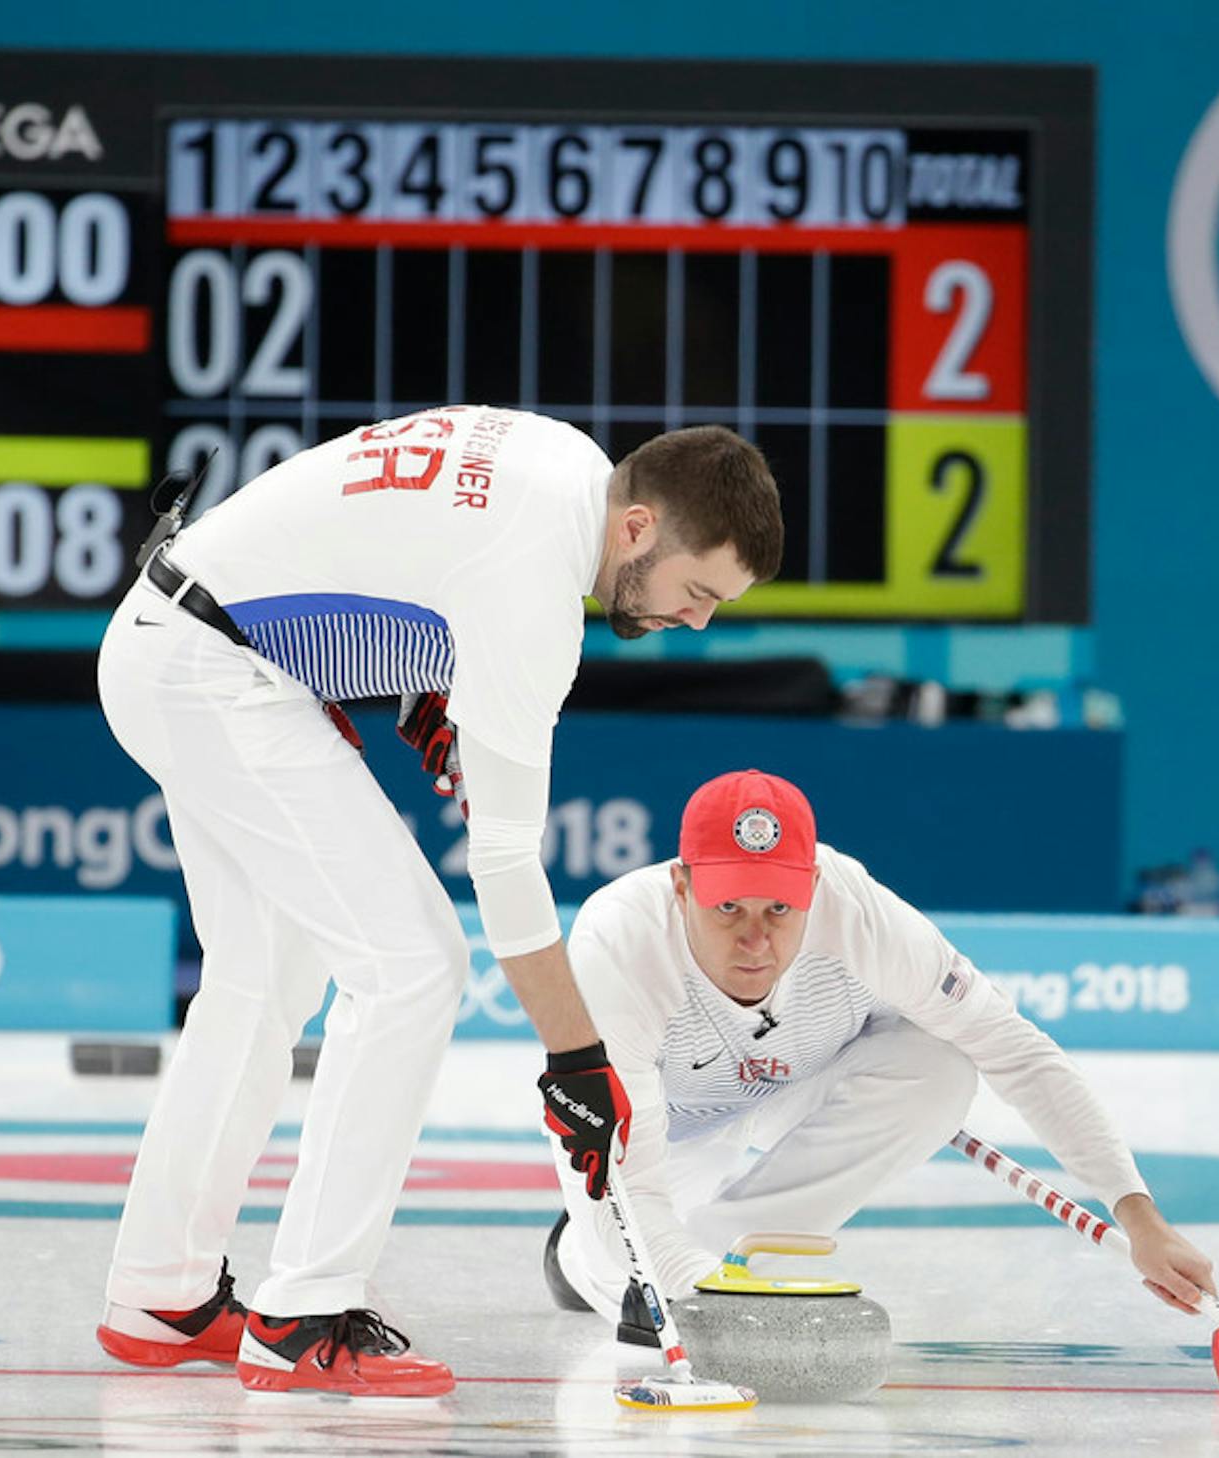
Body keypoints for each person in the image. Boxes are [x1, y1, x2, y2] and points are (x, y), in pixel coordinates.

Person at [92, 411, 783, 1396]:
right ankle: (304, 1315)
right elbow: (504, 864)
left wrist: (420, 678)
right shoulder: (536, 600)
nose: (698, 622)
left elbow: (393, 528)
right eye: (699, 591)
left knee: (262, 977)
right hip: (218, 673)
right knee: (413, 965)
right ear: (637, 530)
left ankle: (161, 1289)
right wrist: (577, 1063)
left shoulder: (565, 463)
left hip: (172, 641)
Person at [539, 768, 1218, 1330]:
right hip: (668, 1123)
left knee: (939, 1069)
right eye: (728, 910)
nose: (756, 941)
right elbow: (619, 1174)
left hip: (797, 1088)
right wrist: (668, 1282)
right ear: (681, 887)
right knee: (627, 1261)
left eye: (779, 909)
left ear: (811, 887)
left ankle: (730, 1265)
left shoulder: (860, 914)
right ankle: (577, 1260)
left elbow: (1017, 1051)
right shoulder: (616, 944)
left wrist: (1138, 1214)